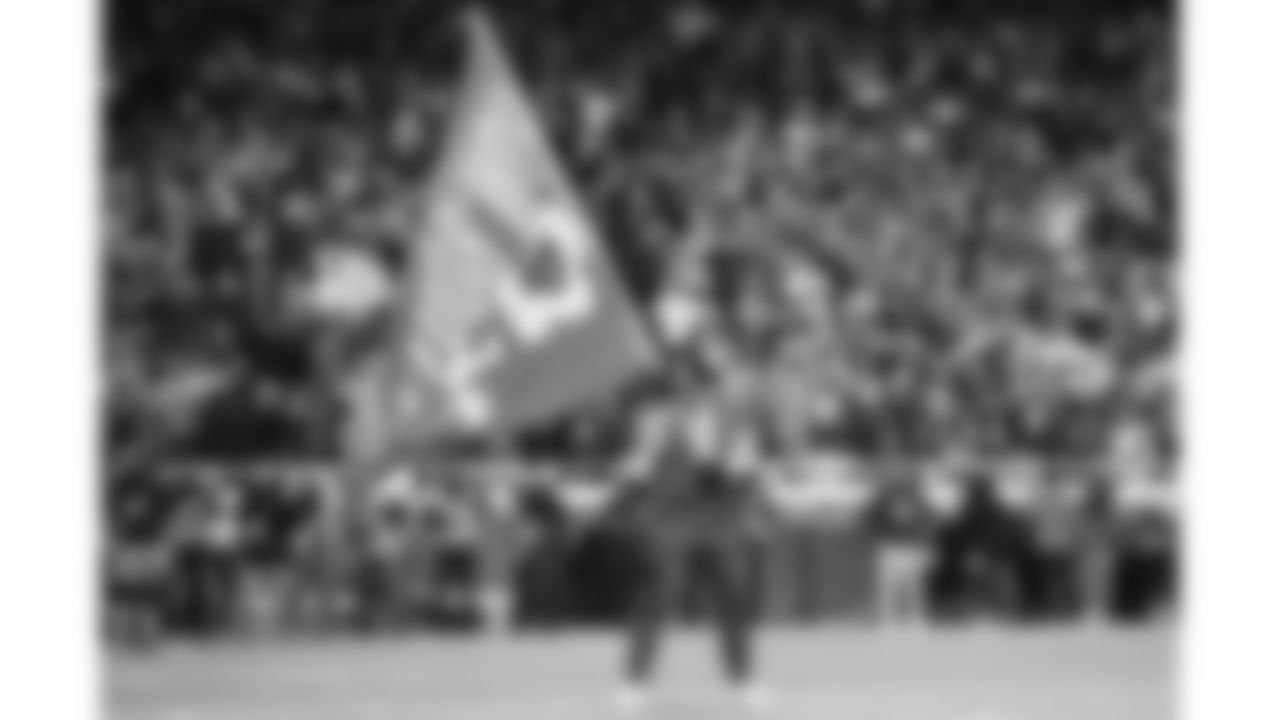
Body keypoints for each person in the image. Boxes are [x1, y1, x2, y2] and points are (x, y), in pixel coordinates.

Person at [608, 370, 777, 714]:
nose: (694, 395)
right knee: (658, 596)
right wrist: (631, 485)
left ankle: (744, 679)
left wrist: (743, 488)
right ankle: (634, 682)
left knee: (733, 599)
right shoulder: (657, 423)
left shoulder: (735, 426)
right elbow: (634, 467)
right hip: (674, 522)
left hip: (723, 522)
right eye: (686, 390)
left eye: (701, 389)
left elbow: (749, 471)